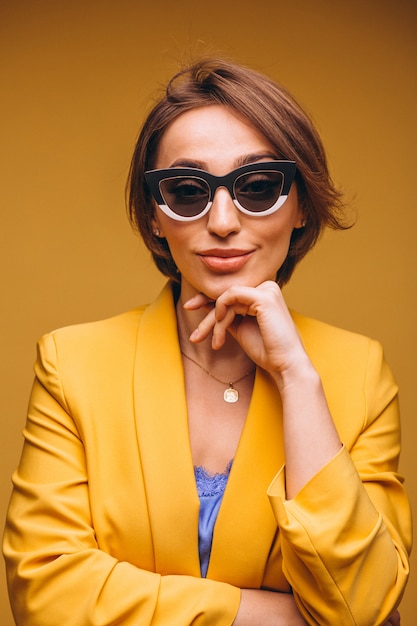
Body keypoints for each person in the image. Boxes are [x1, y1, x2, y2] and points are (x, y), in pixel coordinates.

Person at [3, 57, 411, 626]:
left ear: (300, 207)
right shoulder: (72, 364)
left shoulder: (358, 373)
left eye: (259, 186)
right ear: (154, 215)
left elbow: (364, 607)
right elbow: (45, 594)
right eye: (188, 190)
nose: (222, 220)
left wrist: (296, 378)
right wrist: (276, 617)